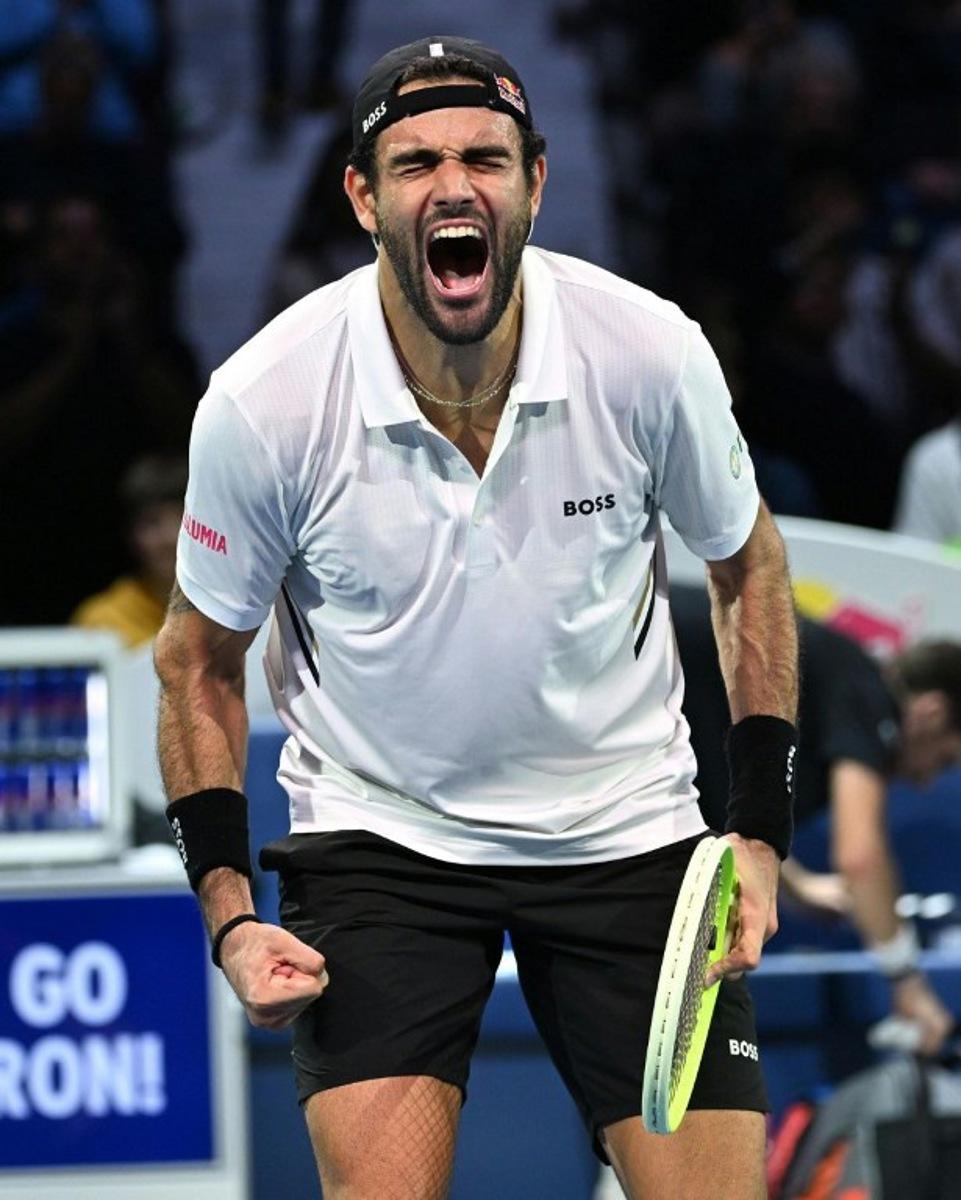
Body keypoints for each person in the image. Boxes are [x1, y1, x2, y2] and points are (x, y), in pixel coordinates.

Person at [155, 37, 799, 1199]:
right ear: (363, 199)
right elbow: (196, 661)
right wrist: (231, 918)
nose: (454, 186)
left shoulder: (648, 353)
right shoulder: (267, 401)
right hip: (382, 839)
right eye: (415, 164)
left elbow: (747, 565)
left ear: (533, 184)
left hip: (625, 826)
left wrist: (756, 834)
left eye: (485, 159)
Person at [671, 583, 957, 1056]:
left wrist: (798, 888)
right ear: (931, 712)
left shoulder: (839, 688)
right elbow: (859, 857)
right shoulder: (869, 694)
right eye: (944, 760)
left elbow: (738, 817)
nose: (927, 781)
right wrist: (907, 982)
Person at [72, 455, 188, 647]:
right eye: (152, 522)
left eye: (183, 518)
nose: (170, 538)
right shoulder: (99, 621)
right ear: (130, 534)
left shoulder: (234, 606)